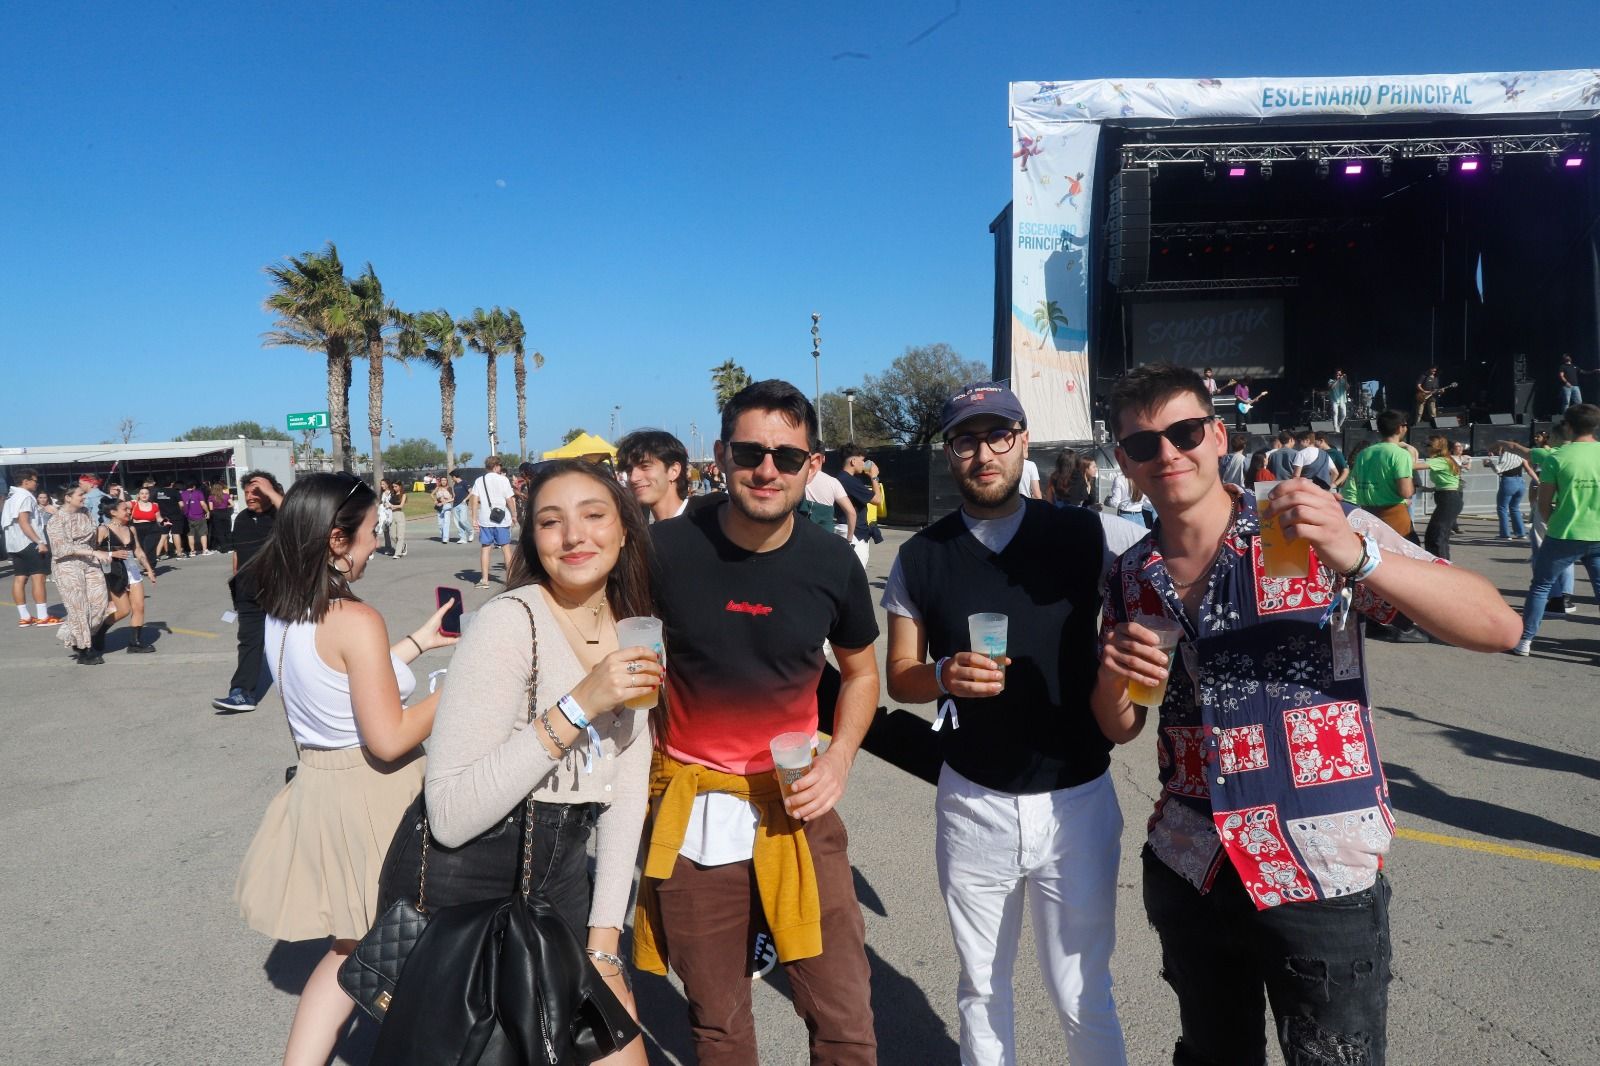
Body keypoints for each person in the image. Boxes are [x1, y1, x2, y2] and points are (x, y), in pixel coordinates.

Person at [1090, 363, 1519, 1066]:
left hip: (1316, 862)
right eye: (1144, 445)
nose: (1167, 453)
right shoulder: (1131, 574)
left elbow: (1496, 625)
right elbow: (1121, 726)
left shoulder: (1307, 524)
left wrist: (1359, 554)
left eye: (1185, 432)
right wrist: (1112, 679)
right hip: (1191, 861)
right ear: (1124, 462)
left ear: (1218, 434)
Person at [882, 381, 1129, 1066]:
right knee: (982, 989)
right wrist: (941, 675)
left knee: (1083, 991)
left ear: (1024, 442)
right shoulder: (920, 557)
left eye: (999, 435)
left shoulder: (1089, 534)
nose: (983, 453)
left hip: (1076, 797)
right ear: (949, 452)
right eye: (966, 438)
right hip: (973, 801)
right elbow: (900, 674)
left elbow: (1178, 559)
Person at [635, 379, 881, 1066]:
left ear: (813, 465)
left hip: (796, 808)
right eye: (750, 451)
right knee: (717, 1021)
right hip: (693, 812)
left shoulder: (831, 562)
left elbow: (862, 673)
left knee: (844, 1016)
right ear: (722, 454)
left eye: (786, 456)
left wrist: (839, 760)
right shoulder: (663, 551)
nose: (766, 469)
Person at [425, 459, 662, 1066]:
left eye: (593, 515)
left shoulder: (632, 627)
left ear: (625, 529)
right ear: (533, 539)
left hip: (564, 890)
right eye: (551, 522)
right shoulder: (511, 623)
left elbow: (627, 783)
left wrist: (606, 946)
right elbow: (449, 813)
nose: (574, 536)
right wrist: (581, 702)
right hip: (486, 900)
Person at [233, 472, 457, 1066]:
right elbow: (388, 739)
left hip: (322, 784)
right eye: (369, 533)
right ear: (337, 538)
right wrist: (465, 685)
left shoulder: (283, 609)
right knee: (418, 947)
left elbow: (337, 682)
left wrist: (413, 644)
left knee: (353, 946)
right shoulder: (355, 618)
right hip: (378, 794)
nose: (375, 544)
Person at [1514, 403, 1600, 655]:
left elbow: (1543, 502)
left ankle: (1525, 641)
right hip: (1598, 533)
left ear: (1568, 426)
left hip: (1564, 533)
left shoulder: (1557, 457)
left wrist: (1553, 520)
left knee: (1541, 586)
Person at [213, 472, 283, 712]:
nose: (249, 496)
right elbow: (237, 554)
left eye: (256, 491)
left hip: (281, 591)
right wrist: (236, 583)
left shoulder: (282, 515)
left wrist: (272, 493)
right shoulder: (242, 518)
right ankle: (241, 693)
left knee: (293, 641)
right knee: (249, 642)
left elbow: (301, 521)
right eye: (247, 491)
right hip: (247, 591)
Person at [46, 484, 112, 664]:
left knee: (100, 603)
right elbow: (61, 549)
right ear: (67, 497)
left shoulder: (85, 512)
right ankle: (84, 650)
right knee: (78, 608)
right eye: (80, 494)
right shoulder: (56, 520)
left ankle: (73, 634)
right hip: (67, 565)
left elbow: (93, 534)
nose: (84, 497)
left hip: (90, 561)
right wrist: (93, 552)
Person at [97, 498, 158, 653]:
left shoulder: (131, 528)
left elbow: (137, 550)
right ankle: (98, 632)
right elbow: (93, 552)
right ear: (113, 512)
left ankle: (134, 643)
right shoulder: (103, 529)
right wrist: (112, 553)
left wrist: (149, 569)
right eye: (125, 509)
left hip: (132, 569)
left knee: (139, 607)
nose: (129, 512)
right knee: (123, 610)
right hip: (114, 571)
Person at [4, 468, 58, 628]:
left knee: (20, 577)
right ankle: (43, 616)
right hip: (28, 542)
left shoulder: (11, 496)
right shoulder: (25, 496)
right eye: (35, 480)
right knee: (38, 577)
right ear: (25, 481)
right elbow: (24, 521)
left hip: (14, 543)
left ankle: (25, 617)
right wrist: (39, 541)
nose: (37, 483)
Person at [1351, 410, 1417, 540]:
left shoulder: (1364, 453)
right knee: (1406, 555)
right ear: (1400, 428)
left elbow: (1357, 480)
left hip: (1368, 514)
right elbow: (1406, 492)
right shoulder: (1400, 454)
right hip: (1393, 515)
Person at [617, 428, 691, 522]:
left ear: (674, 471)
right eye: (629, 470)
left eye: (645, 466)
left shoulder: (705, 524)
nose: (633, 478)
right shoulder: (649, 534)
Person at [470, 457, 517, 588]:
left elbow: (474, 500)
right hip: (502, 519)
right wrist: (514, 514)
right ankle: (511, 578)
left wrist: (474, 518)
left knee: (485, 548)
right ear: (496, 466)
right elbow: (509, 499)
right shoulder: (503, 480)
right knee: (506, 548)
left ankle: (484, 579)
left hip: (485, 518)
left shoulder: (479, 480)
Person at [838, 443, 884, 569]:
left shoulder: (842, 478)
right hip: (855, 534)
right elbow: (877, 499)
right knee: (856, 576)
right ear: (853, 461)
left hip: (850, 530)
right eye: (862, 460)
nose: (864, 464)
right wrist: (874, 477)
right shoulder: (849, 480)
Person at [1420, 435, 1466, 561]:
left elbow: (1413, 466)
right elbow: (1446, 482)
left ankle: (1442, 568)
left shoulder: (1440, 460)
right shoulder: (1446, 459)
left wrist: (1408, 449)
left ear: (1436, 447)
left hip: (1448, 499)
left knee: (1435, 537)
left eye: (1429, 445)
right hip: (1448, 497)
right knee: (1441, 536)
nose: (1426, 449)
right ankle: (1445, 565)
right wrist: (1429, 489)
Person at [1488, 443, 1537, 539]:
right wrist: (1538, 481)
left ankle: (1505, 534)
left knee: (1502, 508)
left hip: (1508, 481)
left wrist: (1490, 464)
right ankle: (1521, 533)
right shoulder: (1520, 456)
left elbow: (1498, 470)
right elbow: (1529, 469)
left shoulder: (1506, 456)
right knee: (1515, 508)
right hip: (1520, 482)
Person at [153, 478, 184, 561]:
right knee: (176, 534)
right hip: (175, 516)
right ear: (172, 483)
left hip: (163, 517)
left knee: (163, 535)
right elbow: (181, 504)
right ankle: (179, 554)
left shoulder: (158, 492)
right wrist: (179, 510)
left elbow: (155, 505)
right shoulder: (175, 491)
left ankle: (157, 555)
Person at [181, 480, 211, 555]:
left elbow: (181, 505)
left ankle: (192, 551)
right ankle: (204, 550)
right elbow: (203, 504)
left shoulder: (182, 494)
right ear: (194, 486)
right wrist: (207, 511)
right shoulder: (198, 492)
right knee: (203, 533)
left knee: (190, 535)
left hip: (187, 517)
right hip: (199, 516)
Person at [208, 481, 233, 554]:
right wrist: (226, 506)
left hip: (216, 514)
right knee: (228, 531)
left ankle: (224, 548)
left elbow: (211, 508)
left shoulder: (211, 497)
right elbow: (232, 504)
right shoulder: (226, 495)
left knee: (220, 532)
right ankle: (230, 547)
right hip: (226, 513)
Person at [450, 469, 473, 544]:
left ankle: (470, 531)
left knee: (463, 520)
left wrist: (465, 499)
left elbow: (471, 492)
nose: (451, 479)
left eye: (452, 477)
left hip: (463, 504)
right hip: (455, 505)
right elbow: (455, 496)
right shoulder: (454, 485)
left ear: (454, 476)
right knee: (458, 523)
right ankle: (463, 538)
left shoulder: (464, 483)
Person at [386, 479, 408, 557]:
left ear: (400, 486)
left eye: (396, 486)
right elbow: (387, 502)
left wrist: (392, 506)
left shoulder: (403, 495)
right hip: (391, 515)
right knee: (392, 536)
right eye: (393, 487)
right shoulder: (392, 494)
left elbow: (401, 505)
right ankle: (403, 546)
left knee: (400, 535)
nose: (394, 488)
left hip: (399, 514)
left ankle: (398, 553)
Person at [431, 476, 456, 542]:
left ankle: (445, 538)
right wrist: (435, 500)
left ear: (447, 481)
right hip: (439, 507)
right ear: (440, 481)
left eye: (445, 480)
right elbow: (432, 494)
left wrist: (444, 502)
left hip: (447, 506)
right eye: (442, 480)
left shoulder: (449, 488)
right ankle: (443, 536)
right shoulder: (438, 488)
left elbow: (453, 498)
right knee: (440, 524)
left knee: (446, 522)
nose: (443, 481)